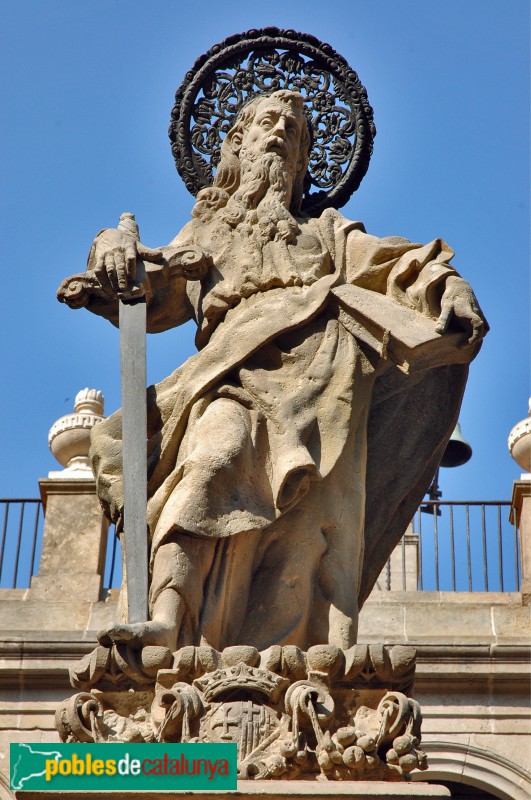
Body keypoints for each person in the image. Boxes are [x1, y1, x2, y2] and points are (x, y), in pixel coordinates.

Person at [76, 90, 487, 653]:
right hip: (231, 371)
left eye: (293, 133)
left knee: (300, 533)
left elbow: (397, 263)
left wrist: (448, 286)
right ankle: (169, 617)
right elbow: (147, 290)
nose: (279, 135)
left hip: (324, 380)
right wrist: (110, 251)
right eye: (268, 124)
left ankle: (280, 650)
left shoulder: (326, 233)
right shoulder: (207, 232)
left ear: (301, 162)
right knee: (212, 457)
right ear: (237, 144)